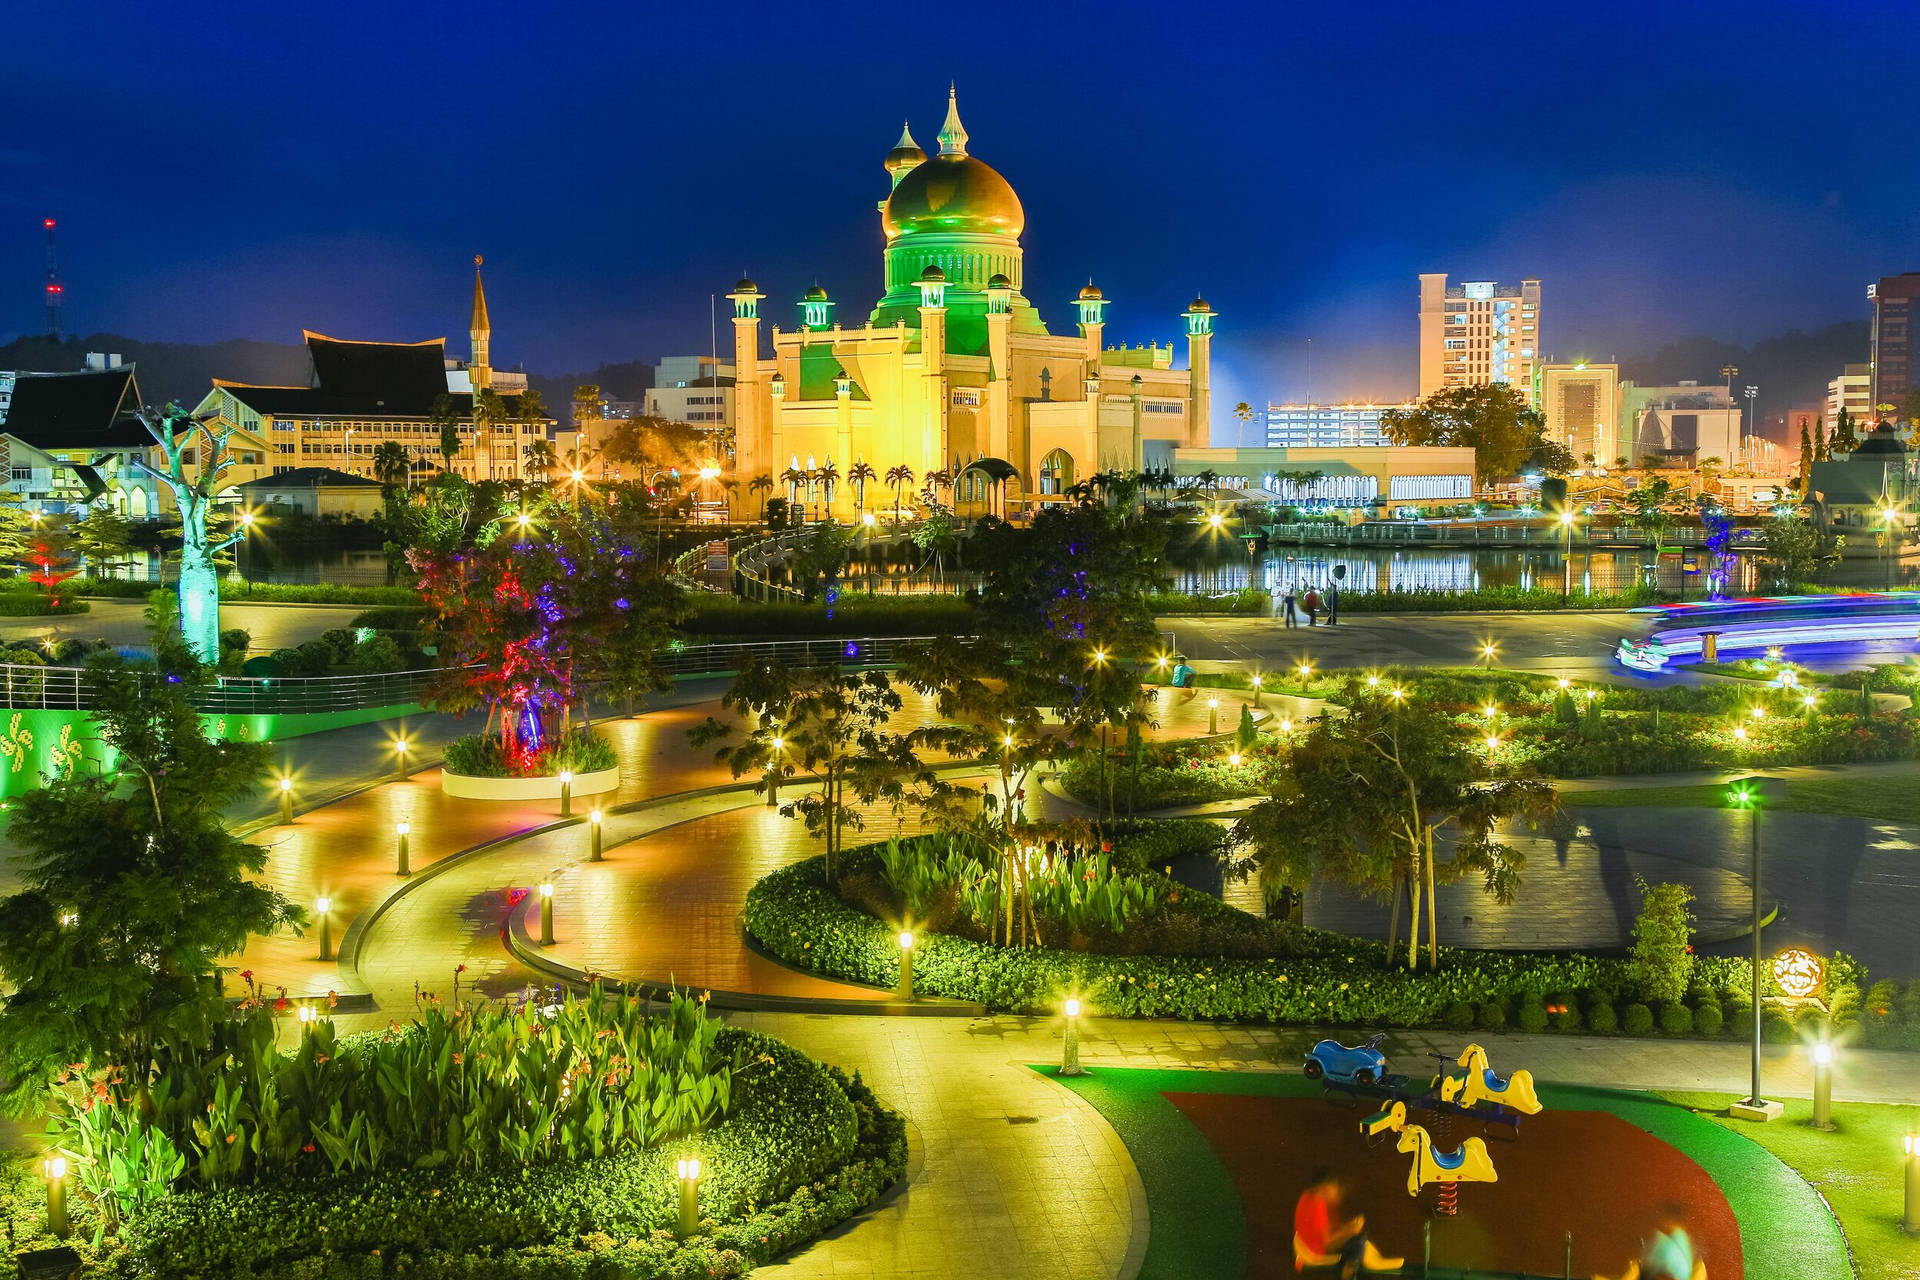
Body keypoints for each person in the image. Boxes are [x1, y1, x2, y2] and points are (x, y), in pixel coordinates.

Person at [1293, 1168, 1401, 1279]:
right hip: (1316, 1252)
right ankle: (1347, 1275)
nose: (1336, 1191)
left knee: (1358, 1241)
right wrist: (1350, 1231)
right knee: (1359, 1241)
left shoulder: (1308, 1197)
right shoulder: (1317, 1205)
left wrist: (1348, 1228)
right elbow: (1327, 1242)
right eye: (1334, 1187)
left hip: (1312, 1248)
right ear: (1325, 1187)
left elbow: (1327, 1231)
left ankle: (1355, 1269)